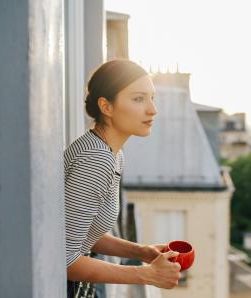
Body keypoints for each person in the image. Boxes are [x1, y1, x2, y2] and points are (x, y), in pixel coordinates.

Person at [64, 60, 181, 297]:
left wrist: (142, 252)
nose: (152, 110)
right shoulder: (96, 160)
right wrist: (148, 274)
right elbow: (66, 260)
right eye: (138, 99)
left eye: (152, 98)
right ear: (106, 107)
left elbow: (86, 233)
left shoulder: (112, 154)